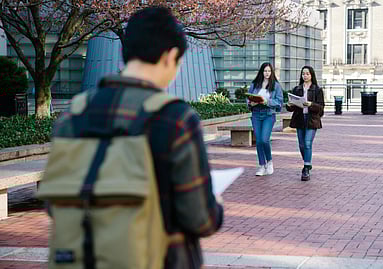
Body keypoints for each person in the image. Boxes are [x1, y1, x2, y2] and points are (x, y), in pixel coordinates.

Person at [44, 7, 223, 268]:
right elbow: (199, 219)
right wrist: (214, 204)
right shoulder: (176, 119)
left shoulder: (73, 115)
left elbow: (55, 203)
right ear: (169, 56)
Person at [286, 66, 325, 181]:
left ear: (311, 75)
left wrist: (310, 104)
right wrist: (289, 105)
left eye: (307, 74)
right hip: (300, 119)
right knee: (301, 145)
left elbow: (321, 108)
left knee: (308, 143)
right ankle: (307, 162)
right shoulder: (297, 89)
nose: (305, 76)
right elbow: (291, 108)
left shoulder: (317, 90)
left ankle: (306, 167)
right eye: (303, 74)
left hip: (311, 119)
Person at [247, 62, 284, 176]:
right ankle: (262, 165)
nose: (267, 73)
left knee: (264, 139)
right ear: (261, 72)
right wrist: (251, 103)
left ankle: (269, 161)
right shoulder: (255, 84)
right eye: (265, 71)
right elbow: (248, 97)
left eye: (269, 71)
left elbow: (279, 102)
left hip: (268, 114)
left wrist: (267, 101)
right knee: (258, 141)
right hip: (256, 114)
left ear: (272, 72)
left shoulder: (276, 86)